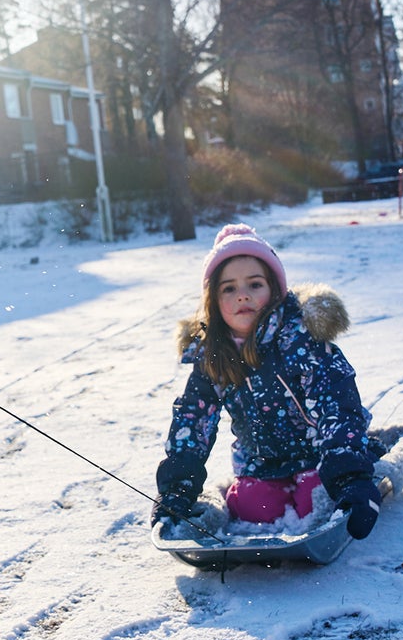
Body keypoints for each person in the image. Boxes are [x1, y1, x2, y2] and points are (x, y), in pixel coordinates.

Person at [153, 223, 383, 537]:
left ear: (275, 290)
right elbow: (193, 420)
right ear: (214, 301)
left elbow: (336, 406)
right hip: (261, 463)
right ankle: (273, 490)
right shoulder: (214, 355)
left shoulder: (300, 340)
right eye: (229, 288)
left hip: (319, 456)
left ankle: (358, 464)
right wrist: (177, 488)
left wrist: (349, 475)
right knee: (252, 508)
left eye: (255, 284)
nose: (242, 296)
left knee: (314, 500)